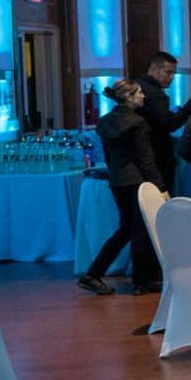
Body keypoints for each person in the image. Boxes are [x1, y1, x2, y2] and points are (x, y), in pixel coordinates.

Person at [77, 79, 164, 297]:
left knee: (126, 229)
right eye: (140, 93)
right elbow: (145, 159)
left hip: (117, 180)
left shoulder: (105, 122)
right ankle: (141, 281)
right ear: (129, 97)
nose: (143, 96)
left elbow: (108, 156)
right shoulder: (138, 123)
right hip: (136, 181)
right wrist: (160, 187)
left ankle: (94, 273)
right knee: (139, 230)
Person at [135, 51, 191, 192]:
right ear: (154, 69)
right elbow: (168, 125)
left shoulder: (137, 86)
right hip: (156, 159)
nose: (172, 77)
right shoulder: (155, 94)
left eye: (174, 73)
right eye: (168, 72)